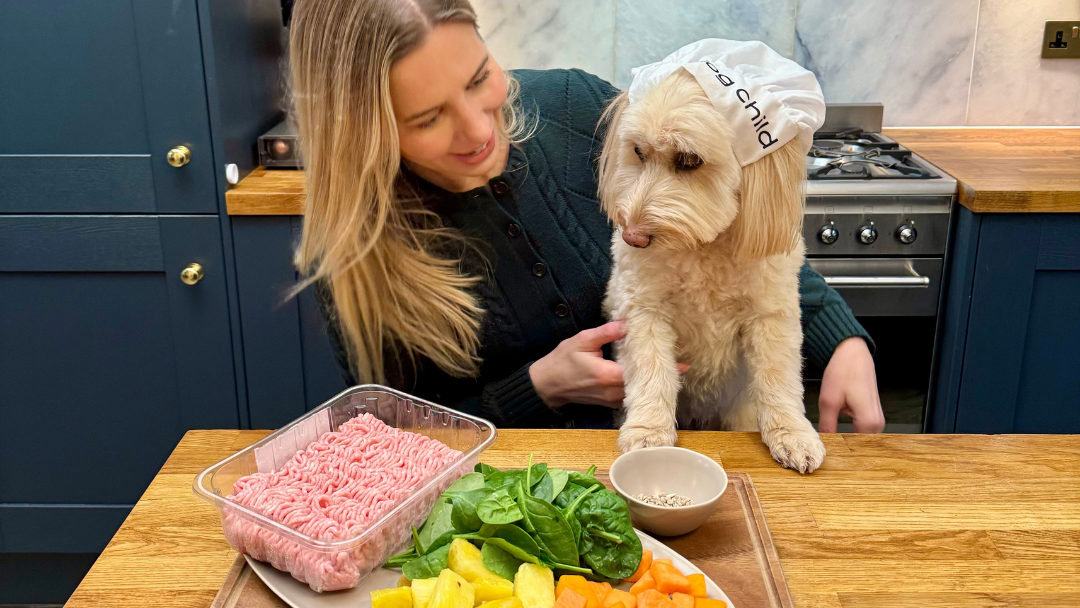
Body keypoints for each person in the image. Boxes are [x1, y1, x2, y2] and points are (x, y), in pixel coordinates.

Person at [288, 0, 885, 433]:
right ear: (365, 132)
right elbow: (395, 435)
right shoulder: (356, 252)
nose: (478, 130)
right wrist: (537, 390)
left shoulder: (575, 108)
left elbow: (745, 232)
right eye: (427, 118)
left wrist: (841, 339)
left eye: (479, 78)